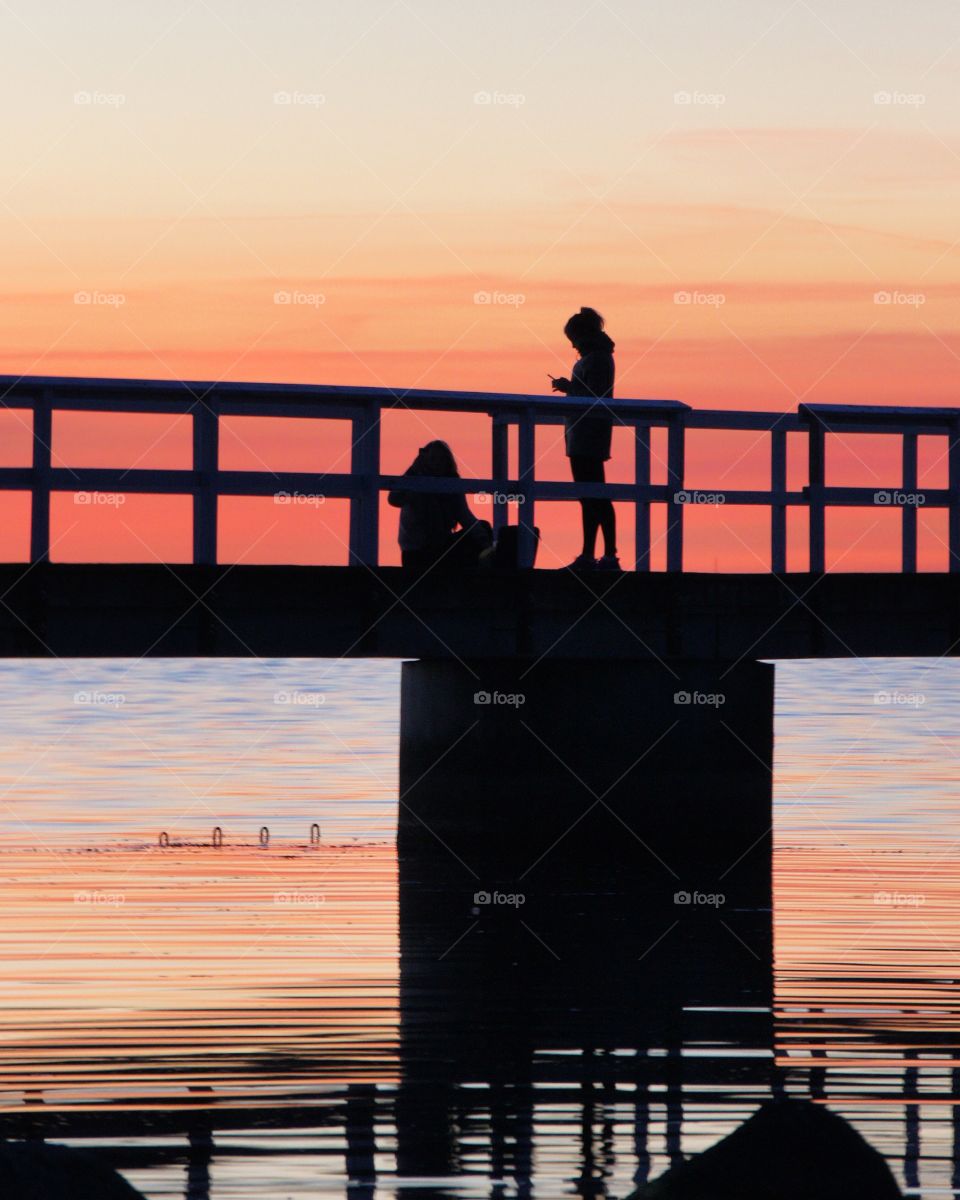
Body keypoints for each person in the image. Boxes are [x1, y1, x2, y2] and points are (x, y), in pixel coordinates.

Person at [549, 307, 620, 571]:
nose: (572, 344)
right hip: (583, 433)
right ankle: (595, 553)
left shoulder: (597, 359)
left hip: (587, 433)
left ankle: (601, 554)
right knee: (591, 494)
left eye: (573, 338)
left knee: (594, 495)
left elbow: (595, 394)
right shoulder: (598, 356)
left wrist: (570, 387)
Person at [389, 440, 492, 569]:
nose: (437, 463)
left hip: (442, 548)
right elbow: (394, 499)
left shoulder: (452, 484)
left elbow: (464, 516)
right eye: (433, 459)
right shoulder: (415, 481)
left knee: (483, 527)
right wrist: (413, 470)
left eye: (441, 459)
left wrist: (484, 540)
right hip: (416, 554)